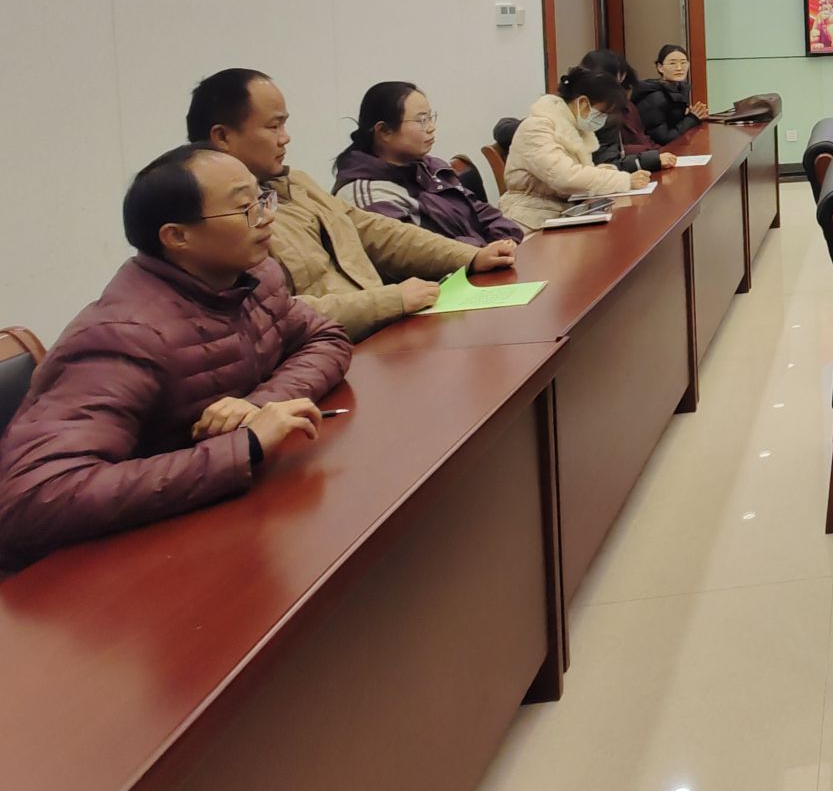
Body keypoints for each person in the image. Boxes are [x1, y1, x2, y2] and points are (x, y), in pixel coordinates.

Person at [0, 146, 351, 570]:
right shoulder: (124, 335)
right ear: (177, 237)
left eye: (262, 198)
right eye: (245, 208)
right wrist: (245, 445)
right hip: (100, 573)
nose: (266, 217)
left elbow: (326, 338)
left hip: (217, 527)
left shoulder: (252, 278)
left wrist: (260, 406)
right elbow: (33, 499)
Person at [189, 70, 518, 342]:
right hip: (345, 344)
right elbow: (276, 314)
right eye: (273, 126)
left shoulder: (295, 184)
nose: (285, 137)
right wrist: (391, 300)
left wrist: (470, 257)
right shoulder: (223, 220)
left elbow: (377, 231)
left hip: (384, 334)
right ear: (223, 137)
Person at [331, 81, 525, 245]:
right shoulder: (367, 195)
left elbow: (481, 212)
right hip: (449, 276)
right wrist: (483, 252)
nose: (431, 128)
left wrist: (505, 241)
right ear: (384, 131)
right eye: (421, 121)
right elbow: (419, 255)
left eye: (430, 118)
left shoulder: (431, 167)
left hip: (480, 265)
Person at [499, 65, 654, 230]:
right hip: (530, 218)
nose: (603, 119)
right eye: (602, 113)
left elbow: (580, 172)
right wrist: (622, 180)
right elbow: (565, 177)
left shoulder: (574, 126)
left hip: (562, 212)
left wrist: (611, 173)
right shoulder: (536, 128)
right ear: (583, 103)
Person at [580, 49, 677, 171]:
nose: (679, 68)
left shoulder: (624, 105)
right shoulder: (598, 111)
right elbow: (609, 159)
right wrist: (653, 156)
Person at [633, 43, 709, 145]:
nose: (679, 68)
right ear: (660, 67)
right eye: (672, 63)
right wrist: (692, 118)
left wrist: (690, 115)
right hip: (655, 150)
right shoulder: (655, 97)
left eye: (683, 63)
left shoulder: (678, 89)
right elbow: (663, 139)